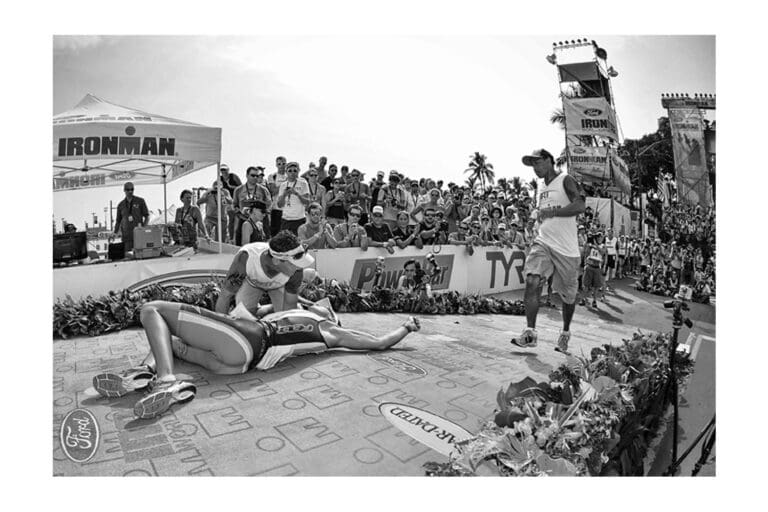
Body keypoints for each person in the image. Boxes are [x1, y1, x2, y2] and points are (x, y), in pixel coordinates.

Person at [91, 299, 421, 418]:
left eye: (324, 303)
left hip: (244, 341)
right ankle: (147, 376)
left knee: (151, 310)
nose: (320, 300)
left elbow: (377, 343)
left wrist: (405, 327)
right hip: (232, 364)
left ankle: (164, 378)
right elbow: (249, 309)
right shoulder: (292, 312)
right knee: (169, 338)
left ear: (329, 315)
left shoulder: (332, 332)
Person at [510, 149, 585, 355]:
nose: (535, 168)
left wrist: (555, 212)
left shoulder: (565, 179)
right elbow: (543, 214)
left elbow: (580, 205)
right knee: (532, 280)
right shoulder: (541, 187)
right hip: (543, 242)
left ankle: (565, 332)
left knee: (568, 297)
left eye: (538, 163)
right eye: (532, 165)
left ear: (550, 161)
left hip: (567, 250)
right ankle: (530, 332)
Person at [214, 230, 314, 315]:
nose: (299, 267)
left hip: (279, 286)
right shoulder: (246, 257)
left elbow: (290, 308)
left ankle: (278, 308)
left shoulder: (297, 269)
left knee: (288, 314)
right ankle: (271, 308)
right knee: (244, 315)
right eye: (293, 264)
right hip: (252, 283)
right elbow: (225, 296)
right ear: (277, 261)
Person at [232, 167, 272, 245]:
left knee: (259, 246)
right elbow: (234, 205)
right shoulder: (238, 190)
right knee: (242, 247)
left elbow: (269, 205)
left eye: (257, 176)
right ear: (247, 175)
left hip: (258, 222)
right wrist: (241, 212)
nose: (255, 178)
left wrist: (259, 209)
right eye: (252, 175)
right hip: (243, 220)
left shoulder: (263, 190)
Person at [113, 182, 149, 252]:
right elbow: (118, 221)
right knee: (128, 257)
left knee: (140, 256)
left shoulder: (140, 201)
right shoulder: (121, 205)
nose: (130, 191)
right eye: (128, 189)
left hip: (139, 236)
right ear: (124, 190)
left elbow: (147, 216)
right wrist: (115, 233)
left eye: (132, 189)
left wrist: (143, 229)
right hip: (127, 237)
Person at [276, 162, 311, 234]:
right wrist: (284, 194)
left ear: (298, 172)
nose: (292, 173)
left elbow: (307, 202)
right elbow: (279, 205)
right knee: (285, 243)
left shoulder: (303, 183)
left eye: (295, 171)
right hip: (286, 219)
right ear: (286, 172)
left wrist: (296, 193)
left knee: (299, 243)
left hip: (299, 219)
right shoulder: (283, 185)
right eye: (290, 171)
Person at [581, 231, 606, 308]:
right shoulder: (590, 245)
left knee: (596, 286)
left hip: (597, 267)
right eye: (597, 237)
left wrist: (595, 244)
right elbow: (586, 251)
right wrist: (588, 241)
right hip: (589, 266)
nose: (599, 239)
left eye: (600, 237)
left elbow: (602, 252)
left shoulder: (603, 246)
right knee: (585, 285)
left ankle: (594, 301)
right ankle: (584, 299)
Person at [218, 164, 242, 243]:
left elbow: (241, 187)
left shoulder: (233, 176)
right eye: (222, 170)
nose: (223, 171)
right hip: (228, 202)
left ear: (228, 170)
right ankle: (232, 238)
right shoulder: (220, 179)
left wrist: (232, 187)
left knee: (238, 219)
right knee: (231, 219)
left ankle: (237, 237)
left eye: (225, 170)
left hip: (237, 200)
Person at [267, 156, 288, 237]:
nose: (281, 166)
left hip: (288, 209)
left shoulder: (290, 175)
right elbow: (273, 191)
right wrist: (285, 183)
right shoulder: (272, 176)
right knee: (275, 234)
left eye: (283, 163)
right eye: (279, 164)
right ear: (276, 165)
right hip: (276, 209)